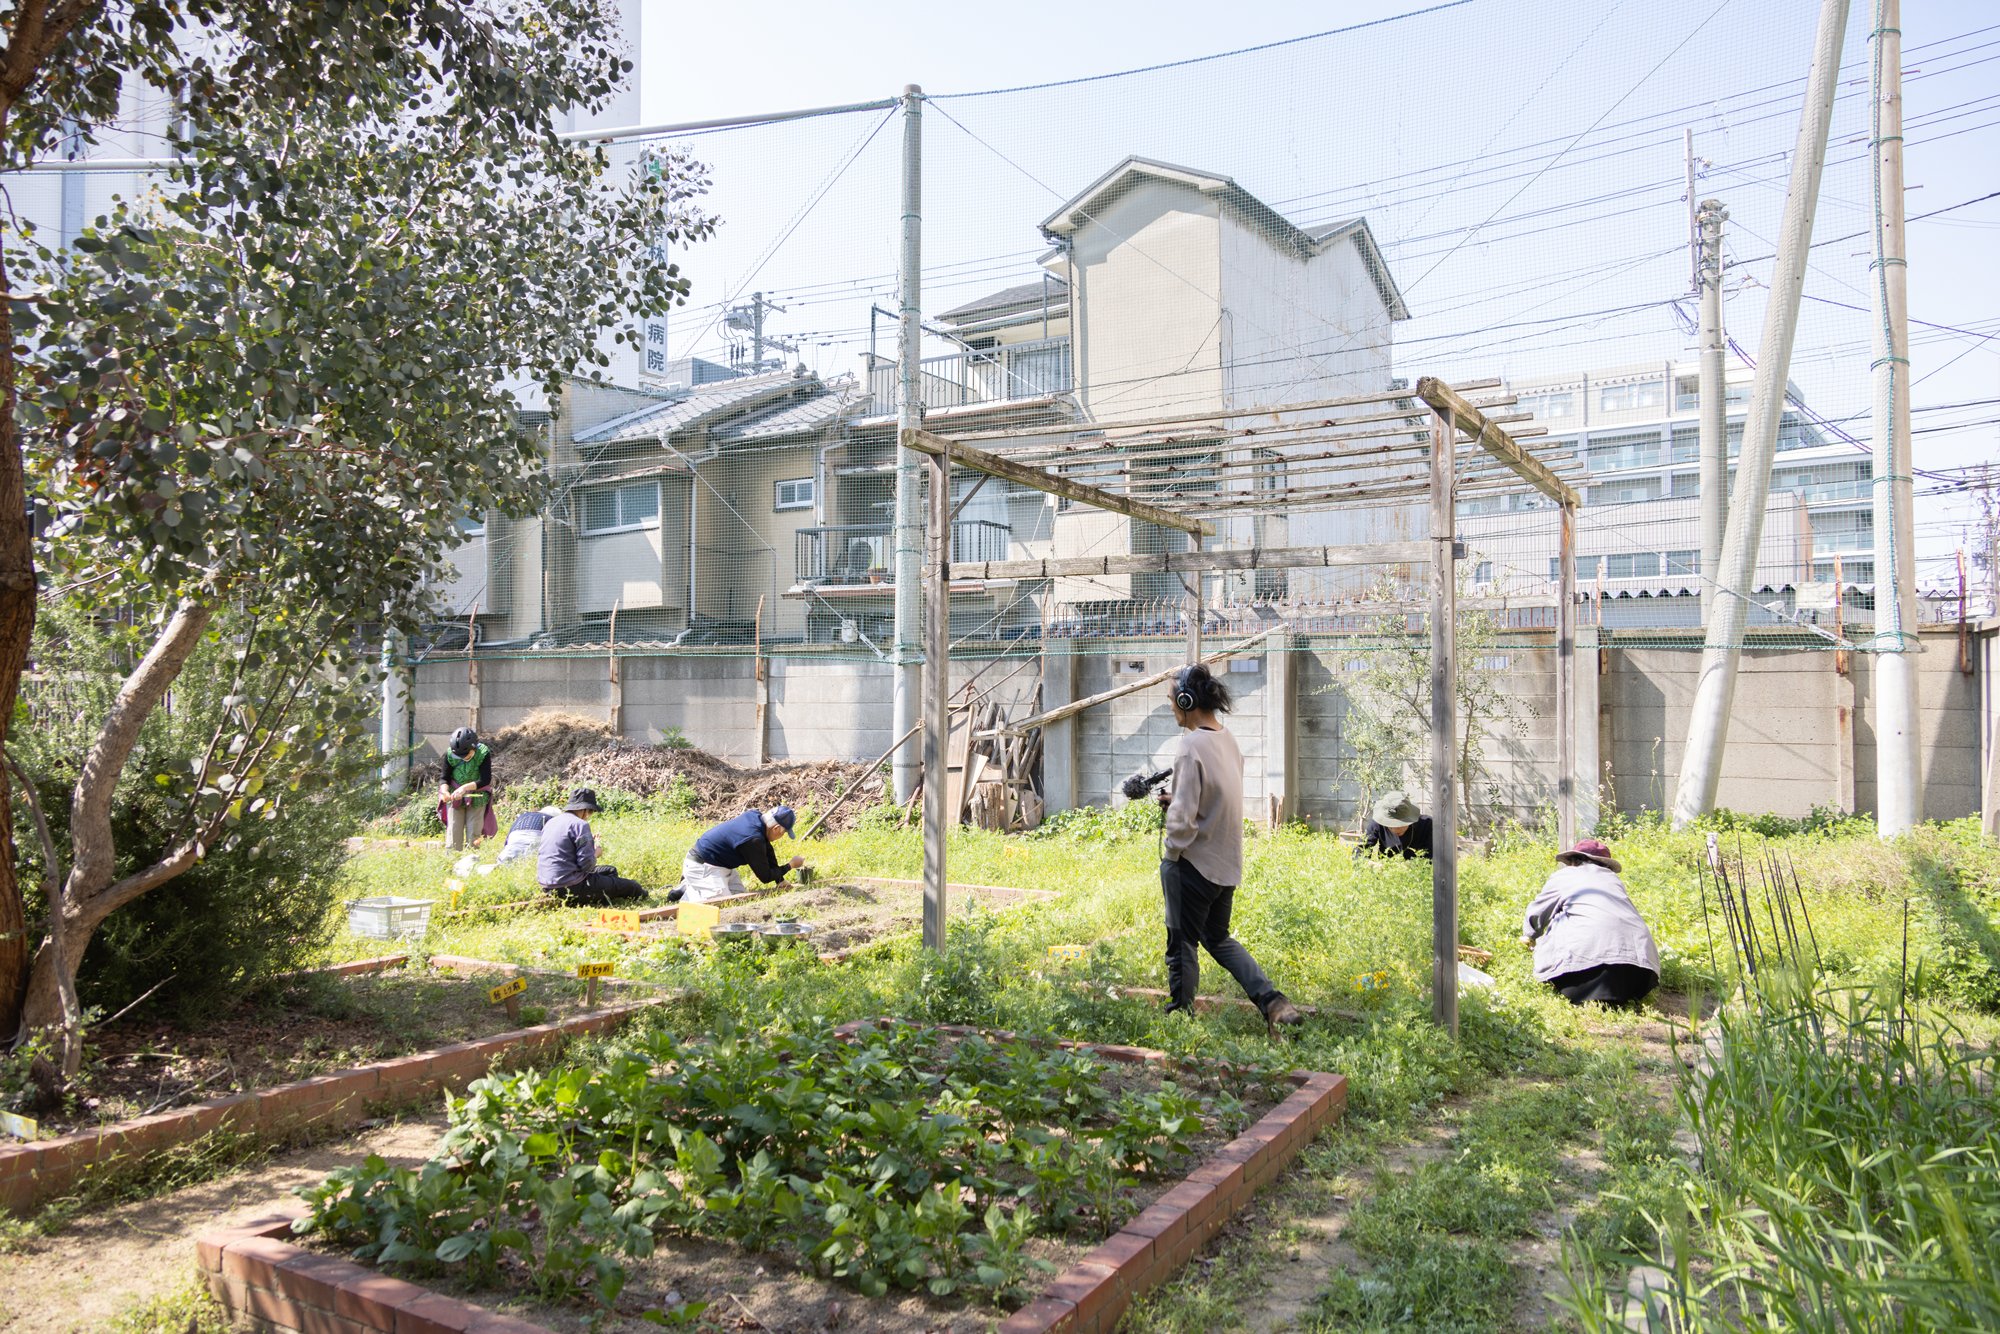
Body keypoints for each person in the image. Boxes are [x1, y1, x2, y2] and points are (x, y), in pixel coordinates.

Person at [1156, 664, 1303, 1030]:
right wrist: (1179, 797)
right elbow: (1218, 796)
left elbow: (1182, 823)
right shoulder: (1227, 739)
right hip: (1225, 866)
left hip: (1194, 865)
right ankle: (1274, 1002)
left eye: (1172, 700)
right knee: (1217, 938)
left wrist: (1171, 855)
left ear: (1186, 700)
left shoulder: (1190, 745)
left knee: (1182, 945)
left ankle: (1179, 1020)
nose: (1171, 707)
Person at [1521, 839, 1660, 1006]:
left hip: (1580, 976)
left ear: (1573, 861)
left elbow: (1537, 913)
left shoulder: (1565, 875)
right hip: (1638, 977)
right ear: (1605, 866)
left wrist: (1530, 936)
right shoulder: (1614, 880)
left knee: (1560, 920)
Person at [536, 789, 646, 905]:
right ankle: (642, 894)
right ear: (585, 809)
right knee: (632, 886)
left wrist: (589, 843)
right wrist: (596, 852)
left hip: (547, 884)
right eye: (592, 811)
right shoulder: (580, 824)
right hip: (572, 885)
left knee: (610, 871)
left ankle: (599, 900)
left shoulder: (551, 822)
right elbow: (587, 864)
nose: (590, 815)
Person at [672, 805, 803, 903]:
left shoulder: (756, 818)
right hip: (702, 866)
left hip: (720, 867)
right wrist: (790, 865)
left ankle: (694, 886)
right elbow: (765, 876)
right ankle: (689, 891)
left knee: (740, 901)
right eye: (784, 832)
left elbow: (768, 850)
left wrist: (779, 881)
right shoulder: (753, 839)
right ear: (775, 829)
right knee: (720, 904)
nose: (782, 836)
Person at [438, 727, 496, 850]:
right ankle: (452, 860)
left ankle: (472, 860)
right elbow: (444, 778)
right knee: (453, 831)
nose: (462, 758)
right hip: (455, 797)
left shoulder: (482, 753)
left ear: (473, 747)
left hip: (477, 797)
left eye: (465, 755)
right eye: (459, 755)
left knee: (474, 833)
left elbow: (485, 779)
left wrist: (464, 788)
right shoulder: (449, 754)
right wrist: (445, 792)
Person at [1359, 790, 1432, 859]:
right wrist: (1369, 864)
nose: (1394, 829)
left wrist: (1413, 865)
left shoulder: (1428, 824)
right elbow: (1360, 850)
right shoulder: (1378, 823)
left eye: (1399, 825)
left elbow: (1433, 856)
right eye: (1389, 824)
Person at [497, 804, 563, 864]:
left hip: (508, 854)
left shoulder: (522, 816)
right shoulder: (552, 819)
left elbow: (506, 842)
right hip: (532, 855)